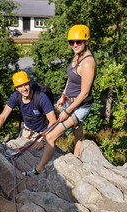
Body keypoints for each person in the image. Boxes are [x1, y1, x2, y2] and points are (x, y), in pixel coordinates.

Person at [23, 24, 96, 176]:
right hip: (70, 102)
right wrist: (63, 96)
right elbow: (70, 78)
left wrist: (67, 111)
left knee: (50, 137)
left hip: (79, 106)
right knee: (78, 136)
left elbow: (84, 93)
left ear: (86, 41)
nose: (75, 45)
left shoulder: (88, 63)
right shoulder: (77, 56)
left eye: (79, 42)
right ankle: (77, 163)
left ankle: (38, 170)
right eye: (72, 42)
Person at [0, 71, 56, 150]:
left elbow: (53, 121)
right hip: (27, 131)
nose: (24, 89)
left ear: (30, 84)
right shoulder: (15, 97)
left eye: (26, 85)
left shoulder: (41, 98)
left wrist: (43, 140)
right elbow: (3, 116)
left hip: (43, 133)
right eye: (20, 86)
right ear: (16, 88)